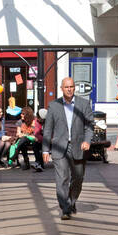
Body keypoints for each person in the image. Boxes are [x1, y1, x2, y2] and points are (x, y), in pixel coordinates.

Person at [41, 76, 94, 219]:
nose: (69, 89)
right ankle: (65, 208)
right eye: (66, 87)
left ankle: (71, 200)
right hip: (59, 148)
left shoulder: (83, 104)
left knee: (78, 178)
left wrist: (87, 140)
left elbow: (90, 125)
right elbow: (48, 129)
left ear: (74, 88)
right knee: (62, 178)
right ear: (61, 89)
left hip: (78, 146)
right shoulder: (54, 105)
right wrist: (45, 149)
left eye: (71, 87)